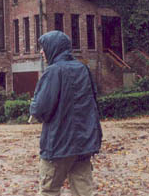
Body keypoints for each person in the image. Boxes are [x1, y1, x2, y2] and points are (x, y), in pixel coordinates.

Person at [29, 30, 102, 196]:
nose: (41, 52)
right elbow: (93, 102)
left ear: (53, 48)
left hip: (59, 144)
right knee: (84, 192)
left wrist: (33, 107)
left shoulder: (53, 71)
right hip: (84, 144)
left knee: (49, 190)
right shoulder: (83, 69)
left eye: (44, 47)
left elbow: (40, 108)